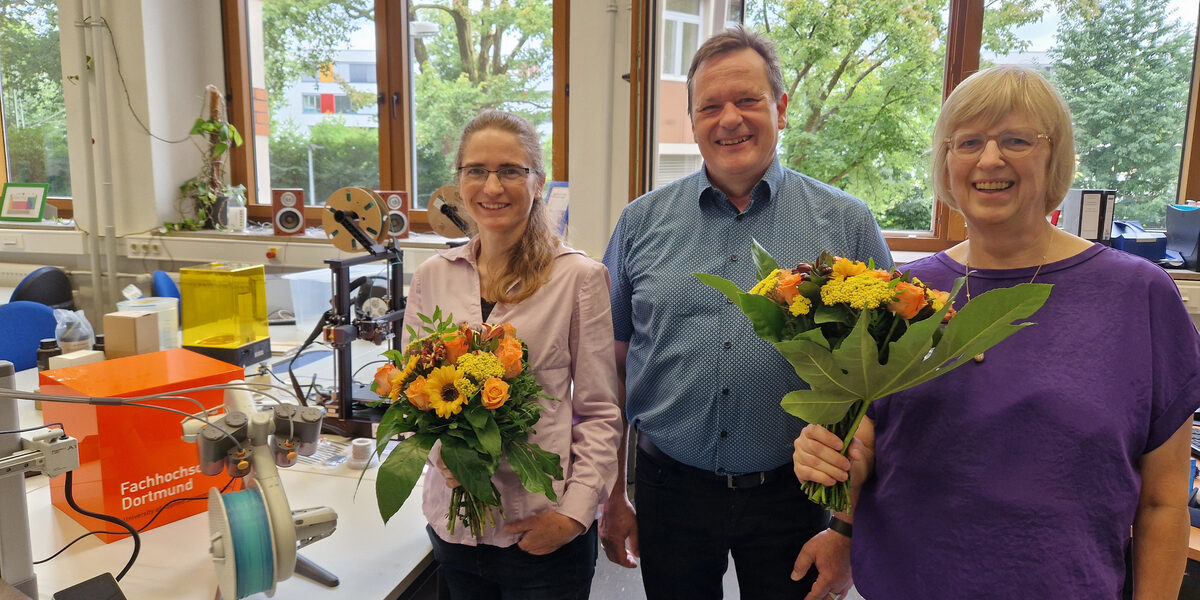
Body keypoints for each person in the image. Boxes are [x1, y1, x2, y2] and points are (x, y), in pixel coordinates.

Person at [791, 65, 1200, 599]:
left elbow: (1164, 502)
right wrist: (833, 456)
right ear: (946, 162)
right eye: (968, 142)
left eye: (1016, 140)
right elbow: (871, 441)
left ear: (1054, 155)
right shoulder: (905, 294)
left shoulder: (1137, 296)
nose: (989, 159)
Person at [600, 26, 892, 599]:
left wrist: (848, 528)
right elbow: (607, 367)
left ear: (780, 109)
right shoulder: (640, 224)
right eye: (710, 106)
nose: (729, 119)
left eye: (747, 100)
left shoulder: (847, 225)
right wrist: (613, 494)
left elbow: (881, 385)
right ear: (693, 122)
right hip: (670, 487)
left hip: (796, 492)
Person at [402, 109, 622, 599]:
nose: (492, 186)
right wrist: (444, 455)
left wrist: (573, 514)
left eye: (510, 171)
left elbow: (600, 411)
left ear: (537, 183)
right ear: (459, 183)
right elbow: (412, 396)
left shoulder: (577, 279)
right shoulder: (431, 277)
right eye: (476, 170)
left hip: (540, 529)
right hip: (454, 529)